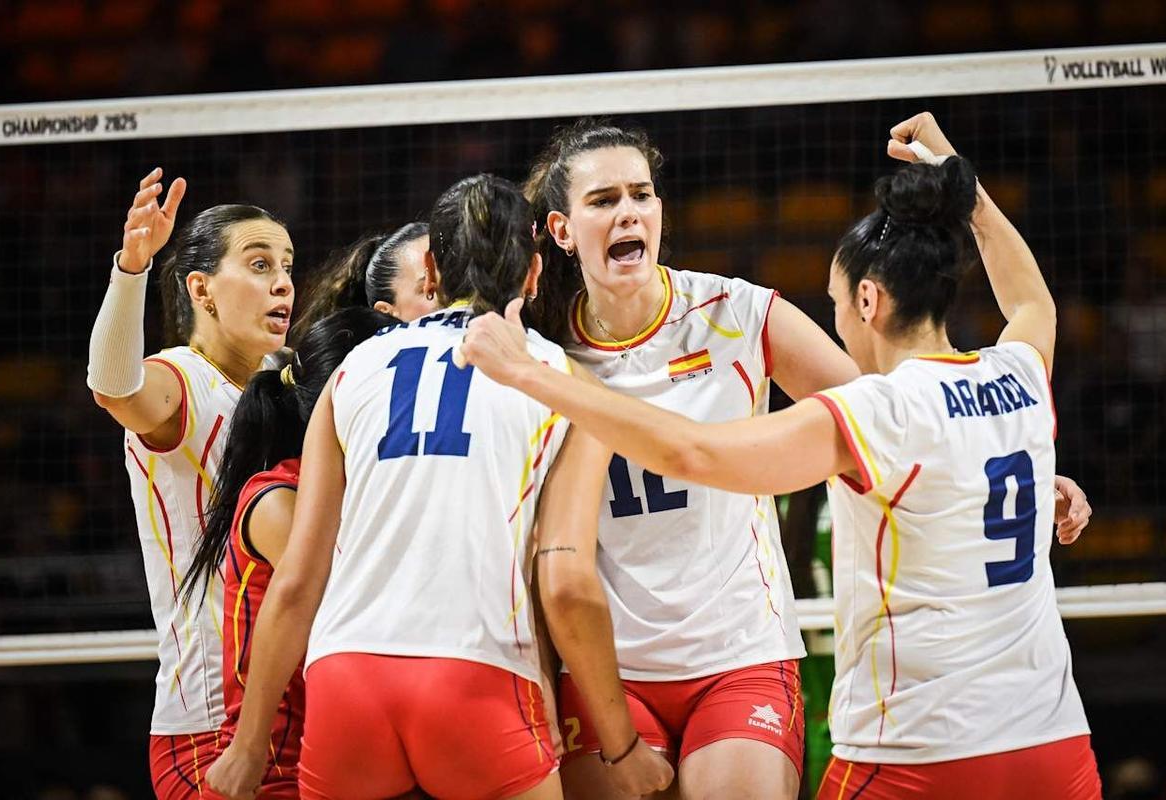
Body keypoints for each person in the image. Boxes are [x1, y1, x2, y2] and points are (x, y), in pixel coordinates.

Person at [458, 113, 1100, 800]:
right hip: (609, 664)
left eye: (642, 194)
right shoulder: (540, 346)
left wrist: (991, 466)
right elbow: (930, 407)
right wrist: (1008, 455)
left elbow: (887, 419)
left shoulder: (735, 313)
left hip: (742, 655)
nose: (629, 212)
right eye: (604, 199)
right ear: (562, 231)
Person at [205, 174, 673, 799]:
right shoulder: (561, 382)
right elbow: (565, 582)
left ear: (431, 271)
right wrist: (622, 746)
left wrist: (245, 750)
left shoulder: (352, 370)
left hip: (347, 682)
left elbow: (297, 583)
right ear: (535, 273)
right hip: (476, 678)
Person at [87, 168, 295, 798]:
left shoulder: (287, 385)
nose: (283, 282)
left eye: (287, 265)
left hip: (298, 702)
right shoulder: (180, 379)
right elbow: (113, 388)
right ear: (201, 289)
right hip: (210, 725)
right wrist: (132, 268)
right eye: (259, 264)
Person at [179, 307, 394, 797]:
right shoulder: (278, 498)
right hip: (274, 769)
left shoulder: (355, 489)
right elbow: (345, 606)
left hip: (346, 759)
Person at [288, 222, 435, 341]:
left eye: (447, 279)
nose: (446, 294)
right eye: (430, 290)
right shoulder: (363, 367)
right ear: (386, 313)